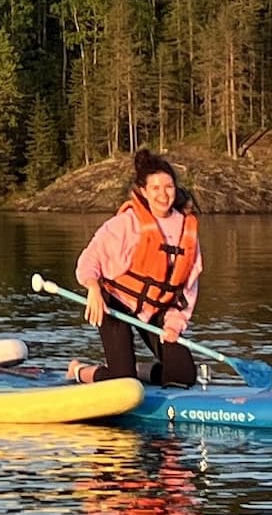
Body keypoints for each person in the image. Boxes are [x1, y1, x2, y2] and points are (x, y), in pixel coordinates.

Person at [75, 148, 201, 390]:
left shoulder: (188, 230)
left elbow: (188, 289)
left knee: (183, 376)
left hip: (157, 309)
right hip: (116, 303)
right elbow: (88, 262)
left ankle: (140, 371)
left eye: (169, 187)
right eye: (155, 188)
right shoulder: (126, 224)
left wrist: (174, 324)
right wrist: (93, 288)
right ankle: (82, 371)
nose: (163, 195)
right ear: (143, 191)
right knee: (123, 382)